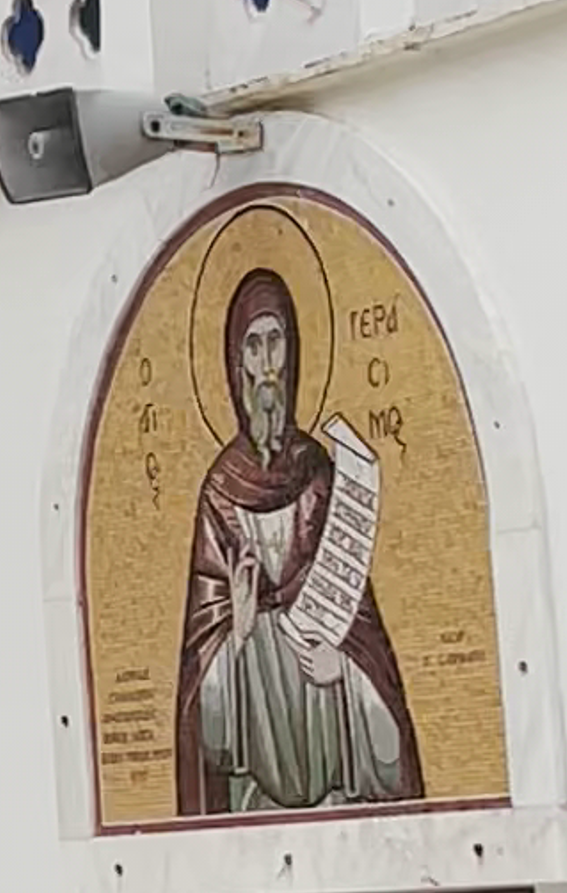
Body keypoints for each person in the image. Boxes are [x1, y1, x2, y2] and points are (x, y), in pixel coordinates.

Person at [174, 272, 415, 818]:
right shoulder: (219, 493)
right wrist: (235, 637)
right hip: (254, 794)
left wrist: (346, 673)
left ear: (295, 351)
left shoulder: (322, 478)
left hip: (335, 771)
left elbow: (362, 635)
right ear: (236, 366)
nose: (267, 364)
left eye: (276, 341)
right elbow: (203, 721)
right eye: (253, 347)